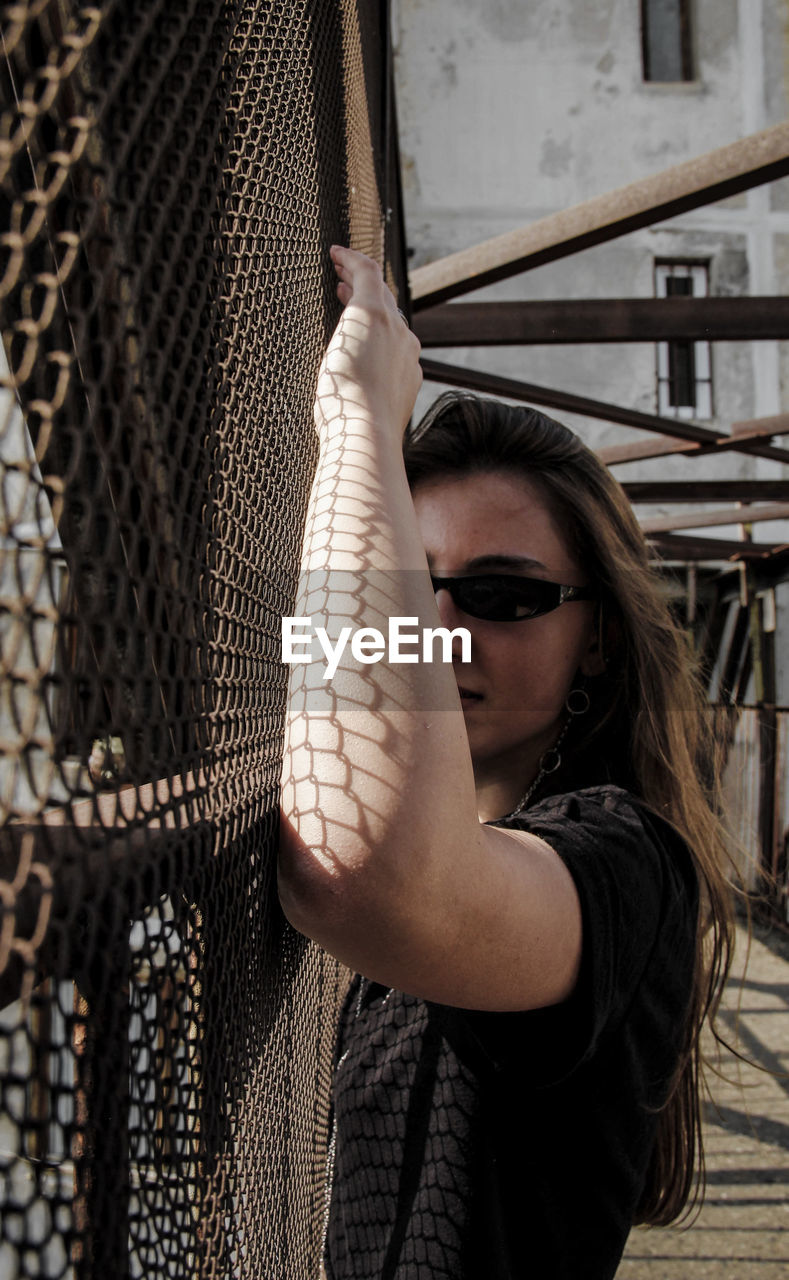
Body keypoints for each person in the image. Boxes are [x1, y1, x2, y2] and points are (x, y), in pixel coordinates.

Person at [279, 246, 735, 1279]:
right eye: (415, 583)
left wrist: (357, 423)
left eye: (503, 595)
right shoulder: (490, 843)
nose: (435, 631)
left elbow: (357, 859)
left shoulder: (626, 858)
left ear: (601, 640)